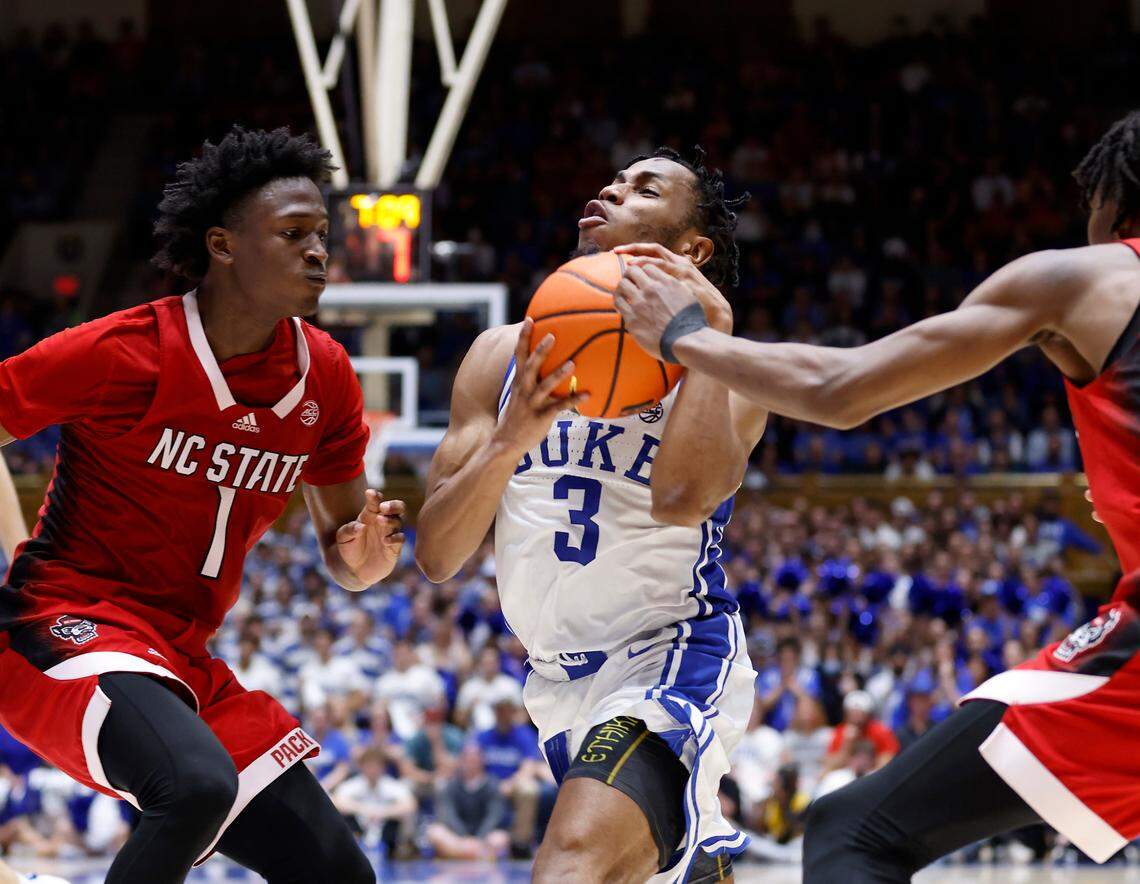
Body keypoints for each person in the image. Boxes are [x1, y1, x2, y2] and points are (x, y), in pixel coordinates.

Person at [611, 110, 1140, 879]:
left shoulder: (1091, 277)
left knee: (856, 832)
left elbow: (843, 389)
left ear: (1114, 201)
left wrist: (686, 335)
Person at [0, 126, 406, 884]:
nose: (319, 252)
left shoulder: (325, 378)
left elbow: (348, 559)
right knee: (193, 786)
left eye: (322, 234)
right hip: (61, 622)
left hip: (181, 659)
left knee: (340, 875)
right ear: (222, 245)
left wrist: (365, 559)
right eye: (293, 234)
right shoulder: (122, 351)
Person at [416, 147, 767, 882]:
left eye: (644, 189)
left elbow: (682, 500)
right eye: (612, 180)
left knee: (570, 863)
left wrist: (707, 331)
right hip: (555, 679)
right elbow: (438, 555)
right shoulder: (500, 355)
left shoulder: (729, 368)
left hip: (668, 651)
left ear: (694, 250)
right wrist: (510, 439)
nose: (609, 190)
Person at [425, 743, 511, 861]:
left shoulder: (492, 785)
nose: (471, 763)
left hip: (484, 837)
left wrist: (479, 839)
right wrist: (464, 838)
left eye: (474, 758)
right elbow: (448, 814)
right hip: (457, 838)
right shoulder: (450, 785)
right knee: (435, 832)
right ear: (461, 760)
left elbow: (494, 816)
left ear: (482, 760)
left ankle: (462, 855)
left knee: (500, 838)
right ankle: (477, 855)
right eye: (467, 758)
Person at [332, 747, 417, 857]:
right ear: (361, 766)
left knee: (400, 820)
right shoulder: (351, 785)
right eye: (369, 765)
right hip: (359, 830)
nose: (373, 769)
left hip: (386, 833)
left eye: (377, 765)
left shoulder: (393, 786)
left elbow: (410, 805)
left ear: (383, 767)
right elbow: (337, 802)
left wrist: (382, 813)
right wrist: (364, 810)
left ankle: (395, 849)